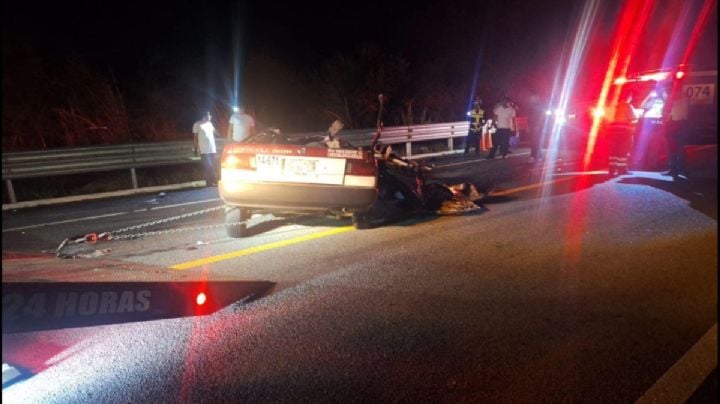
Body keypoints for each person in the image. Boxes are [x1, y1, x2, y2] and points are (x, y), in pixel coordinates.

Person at [607, 92, 639, 176]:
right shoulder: (627, 106)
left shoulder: (613, 106)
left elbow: (607, 119)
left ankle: (612, 170)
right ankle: (622, 170)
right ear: (628, 97)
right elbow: (633, 118)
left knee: (614, 150)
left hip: (612, 131)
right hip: (624, 131)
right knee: (623, 150)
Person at [663, 90, 690, 178]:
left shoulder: (672, 100)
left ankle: (674, 169)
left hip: (674, 124)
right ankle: (680, 169)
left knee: (673, 148)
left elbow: (666, 111)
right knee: (679, 148)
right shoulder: (685, 98)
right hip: (681, 124)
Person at [192, 112, 218, 186]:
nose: (210, 116)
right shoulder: (197, 124)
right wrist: (195, 149)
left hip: (212, 149)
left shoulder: (210, 124)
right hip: (204, 150)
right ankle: (213, 181)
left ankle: (209, 183)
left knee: (211, 166)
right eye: (209, 115)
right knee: (209, 166)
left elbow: (215, 133)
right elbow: (195, 138)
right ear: (205, 116)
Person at [526, 92, 545, 163]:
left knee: (536, 141)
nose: (531, 99)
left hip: (537, 125)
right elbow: (529, 117)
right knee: (534, 141)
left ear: (537, 97)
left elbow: (541, 116)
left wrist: (538, 125)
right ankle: (538, 156)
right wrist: (528, 125)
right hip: (532, 125)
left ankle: (533, 156)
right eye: (531, 97)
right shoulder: (531, 106)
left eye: (533, 97)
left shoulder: (540, 106)